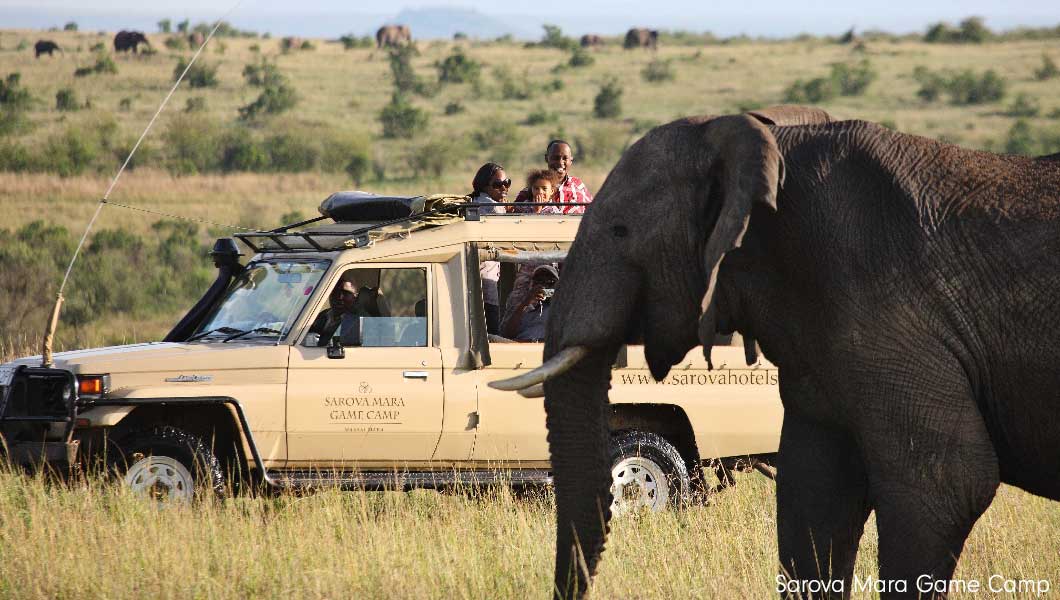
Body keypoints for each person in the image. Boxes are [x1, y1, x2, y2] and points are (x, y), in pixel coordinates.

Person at [469, 162, 510, 333]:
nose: (504, 188)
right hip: (486, 278)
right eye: (498, 185)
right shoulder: (494, 207)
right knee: (492, 332)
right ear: (485, 186)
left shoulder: (472, 201)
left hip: (471, 277)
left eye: (507, 183)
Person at [513, 140, 593, 214]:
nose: (561, 162)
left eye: (565, 158)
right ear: (547, 158)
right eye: (556, 158)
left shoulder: (578, 185)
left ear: (571, 160)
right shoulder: (530, 191)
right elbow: (514, 216)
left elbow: (593, 212)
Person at [309, 279, 389, 345]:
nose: (339, 297)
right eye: (335, 292)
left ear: (355, 297)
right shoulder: (324, 315)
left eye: (346, 293)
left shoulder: (362, 321)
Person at [502, 265, 559, 342]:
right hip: (520, 346)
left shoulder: (560, 309)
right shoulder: (524, 307)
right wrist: (527, 301)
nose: (544, 285)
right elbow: (508, 334)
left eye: (550, 282)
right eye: (539, 281)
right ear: (532, 284)